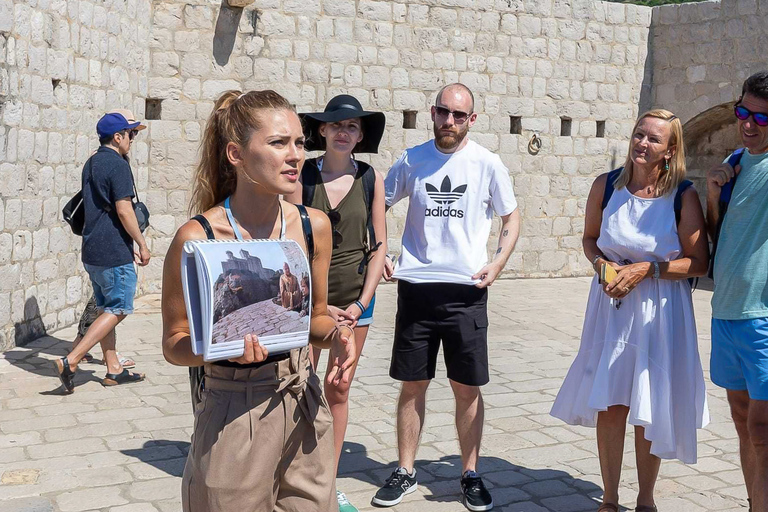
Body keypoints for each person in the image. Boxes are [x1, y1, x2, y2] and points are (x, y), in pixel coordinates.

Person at [161, 89, 356, 512]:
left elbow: (315, 318)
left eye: (300, 143)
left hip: (304, 402)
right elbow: (173, 343)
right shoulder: (198, 239)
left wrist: (339, 336)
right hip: (233, 409)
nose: (295, 156)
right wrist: (219, 347)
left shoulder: (312, 226)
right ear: (236, 154)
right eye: (278, 143)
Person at [550, 109, 710, 512]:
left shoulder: (682, 195)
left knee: (647, 401)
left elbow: (698, 262)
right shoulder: (605, 187)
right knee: (611, 402)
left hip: (660, 310)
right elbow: (590, 240)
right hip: (611, 307)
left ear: (670, 150)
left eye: (654, 140)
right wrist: (600, 264)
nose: (642, 144)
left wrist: (649, 268)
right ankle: (608, 499)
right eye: (639, 135)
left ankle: (645, 500)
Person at [373, 83, 520, 512]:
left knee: (466, 387)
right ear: (432, 112)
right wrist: (381, 251)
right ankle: (405, 471)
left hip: (466, 292)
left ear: (472, 119)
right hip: (416, 290)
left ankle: (470, 474)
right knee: (412, 384)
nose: (449, 122)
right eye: (443, 112)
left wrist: (497, 263)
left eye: (459, 115)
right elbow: (379, 202)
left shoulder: (487, 164)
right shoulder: (412, 160)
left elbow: (511, 216)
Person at [287, 94, 387, 512]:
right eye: (336, 126)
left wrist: (362, 304)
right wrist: (318, 306)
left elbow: (379, 245)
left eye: (352, 127)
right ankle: (293, 474)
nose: (344, 132)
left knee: (338, 386)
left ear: (360, 135)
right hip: (310, 301)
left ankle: (327, 480)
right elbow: (290, 240)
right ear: (322, 131)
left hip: (356, 300)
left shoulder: (370, 178)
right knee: (298, 382)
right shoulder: (302, 176)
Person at [706, 71, 768, 512]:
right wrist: (713, 192)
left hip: (762, 315)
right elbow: (718, 236)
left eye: (761, 118)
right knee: (742, 420)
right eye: (742, 112)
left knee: (762, 430)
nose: (749, 124)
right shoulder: (736, 160)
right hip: (726, 311)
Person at [53, 112, 150, 393]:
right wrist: (141, 243)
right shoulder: (118, 166)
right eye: (131, 134)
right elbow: (123, 209)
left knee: (106, 307)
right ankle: (71, 360)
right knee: (119, 307)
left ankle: (114, 369)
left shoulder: (92, 161)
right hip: (113, 250)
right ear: (118, 137)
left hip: (92, 248)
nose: (133, 139)